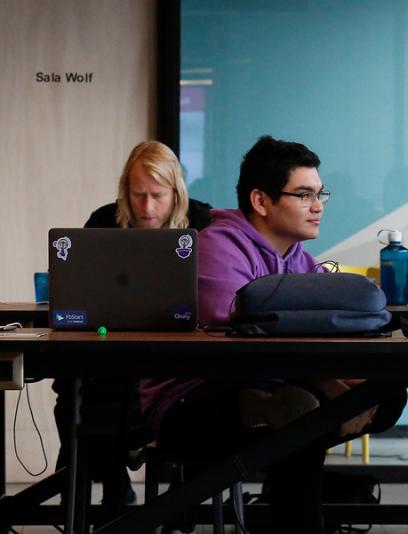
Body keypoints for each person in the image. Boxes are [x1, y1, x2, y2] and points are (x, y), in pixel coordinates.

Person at [138, 135, 406, 533]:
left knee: (381, 397)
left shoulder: (297, 257)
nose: (317, 206)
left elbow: (332, 320)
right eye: (303, 195)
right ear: (261, 201)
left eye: (320, 194)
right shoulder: (216, 247)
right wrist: (330, 385)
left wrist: (337, 386)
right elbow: (238, 337)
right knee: (301, 416)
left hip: (280, 388)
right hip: (190, 401)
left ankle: (286, 413)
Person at [51, 141, 212, 512]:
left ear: (176, 190)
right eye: (138, 195)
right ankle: (114, 488)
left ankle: (180, 507)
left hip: (185, 355)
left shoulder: (204, 223)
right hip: (114, 347)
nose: (147, 208)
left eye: (157, 195)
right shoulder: (104, 221)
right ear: (126, 189)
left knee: (202, 399)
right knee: (71, 392)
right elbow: (81, 288)